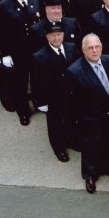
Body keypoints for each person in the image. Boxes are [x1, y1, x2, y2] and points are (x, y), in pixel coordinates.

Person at [67, 34, 109, 193]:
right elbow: (71, 101)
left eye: (97, 46)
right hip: (90, 118)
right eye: (90, 47)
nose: (95, 50)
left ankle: (105, 167)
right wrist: (77, 122)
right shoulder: (74, 71)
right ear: (83, 50)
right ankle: (90, 176)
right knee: (90, 148)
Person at [0, 0, 44, 125]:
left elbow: (42, 25)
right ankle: (23, 111)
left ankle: (39, 102)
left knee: (38, 79)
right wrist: (5, 53)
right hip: (17, 51)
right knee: (19, 82)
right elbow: (0, 32)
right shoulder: (3, 5)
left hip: (37, 49)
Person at [30, 20, 79, 162]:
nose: (56, 38)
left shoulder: (71, 47)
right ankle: (59, 148)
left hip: (70, 93)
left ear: (63, 35)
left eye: (59, 34)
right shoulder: (39, 56)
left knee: (71, 119)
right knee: (55, 124)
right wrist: (41, 101)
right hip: (53, 96)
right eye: (53, 35)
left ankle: (71, 140)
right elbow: (36, 82)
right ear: (47, 37)